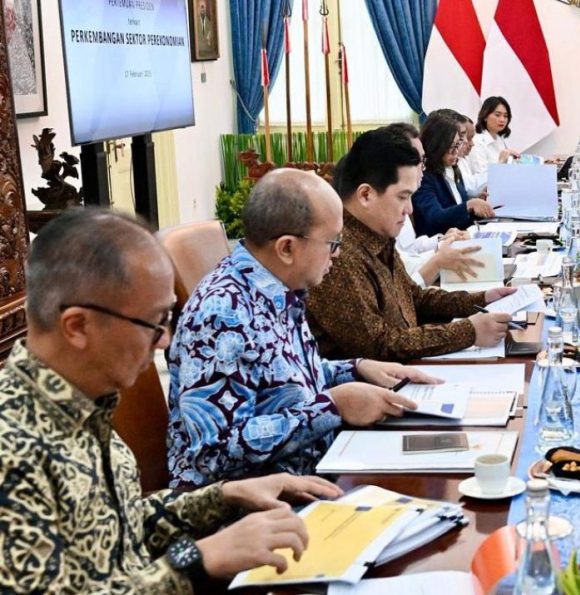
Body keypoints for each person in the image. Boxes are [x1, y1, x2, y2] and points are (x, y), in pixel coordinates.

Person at [0, 208, 344, 592]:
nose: (165, 340)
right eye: (154, 322)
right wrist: (197, 561)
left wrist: (224, 496)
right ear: (78, 326)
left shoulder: (86, 407)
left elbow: (117, 531)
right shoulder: (13, 448)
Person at [168, 169, 438, 488]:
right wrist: (333, 406)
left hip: (316, 469)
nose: (338, 254)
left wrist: (357, 369)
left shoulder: (281, 288)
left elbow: (285, 380)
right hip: (258, 507)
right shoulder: (221, 314)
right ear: (286, 248)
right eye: (333, 243)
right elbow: (214, 454)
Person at [307, 127, 515, 362]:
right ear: (365, 195)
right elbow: (379, 346)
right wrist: (469, 331)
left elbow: (414, 297)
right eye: (402, 197)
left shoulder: (375, 236)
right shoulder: (338, 255)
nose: (409, 210)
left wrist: (481, 299)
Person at [382, 121, 483, 287]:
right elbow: (402, 270)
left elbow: (408, 250)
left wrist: (442, 242)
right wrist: (439, 257)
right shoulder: (402, 189)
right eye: (419, 160)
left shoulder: (450, 170)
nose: (409, 209)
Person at [411, 112, 496, 236]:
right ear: (438, 145)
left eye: (458, 145)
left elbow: (459, 211)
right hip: (437, 243)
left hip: (462, 237)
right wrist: (468, 205)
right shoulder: (424, 177)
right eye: (453, 146)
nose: (457, 151)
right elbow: (434, 218)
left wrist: (476, 205)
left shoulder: (453, 169)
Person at [469, 96, 520, 176]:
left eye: (505, 116)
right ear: (485, 116)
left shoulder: (500, 140)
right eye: (497, 115)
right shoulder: (477, 142)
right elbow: (481, 178)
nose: (502, 120)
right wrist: (501, 162)